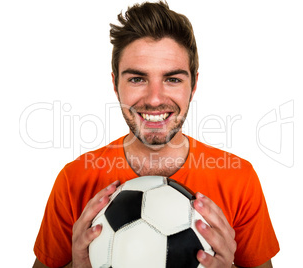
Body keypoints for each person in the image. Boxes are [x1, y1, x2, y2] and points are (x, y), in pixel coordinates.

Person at [33, 1, 280, 268]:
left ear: (193, 86)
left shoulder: (238, 179)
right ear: (116, 86)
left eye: (172, 79)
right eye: (137, 79)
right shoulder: (75, 180)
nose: (154, 99)